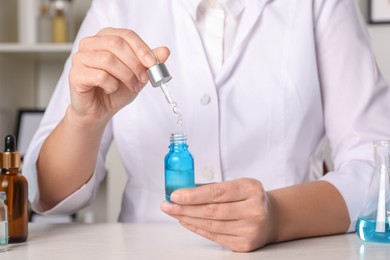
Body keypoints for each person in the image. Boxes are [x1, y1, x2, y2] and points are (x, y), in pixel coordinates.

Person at [24, 0, 390, 252]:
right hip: (145, 251)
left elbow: (378, 166)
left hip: (291, 250)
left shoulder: (317, 5)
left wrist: (278, 216)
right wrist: (86, 119)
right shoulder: (120, 6)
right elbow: (47, 195)